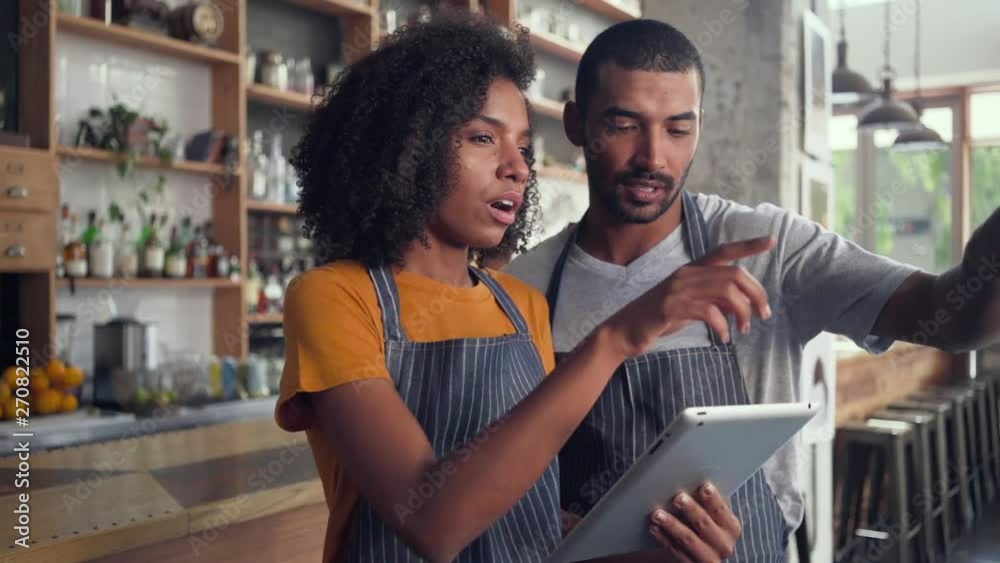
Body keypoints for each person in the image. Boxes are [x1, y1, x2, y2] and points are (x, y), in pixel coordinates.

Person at [505, 18, 1000, 562]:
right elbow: (501, 484)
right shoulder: (524, 287)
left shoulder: (769, 246)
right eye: (624, 126)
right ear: (577, 124)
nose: (654, 157)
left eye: (678, 128)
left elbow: (951, 318)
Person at [276, 13, 742, 563]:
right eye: (482, 138)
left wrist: (661, 547)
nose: (517, 168)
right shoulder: (335, 299)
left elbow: (534, 524)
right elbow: (432, 520)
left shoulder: (522, 306)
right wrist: (615, 338)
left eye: (523, 147)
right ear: (406, 148)